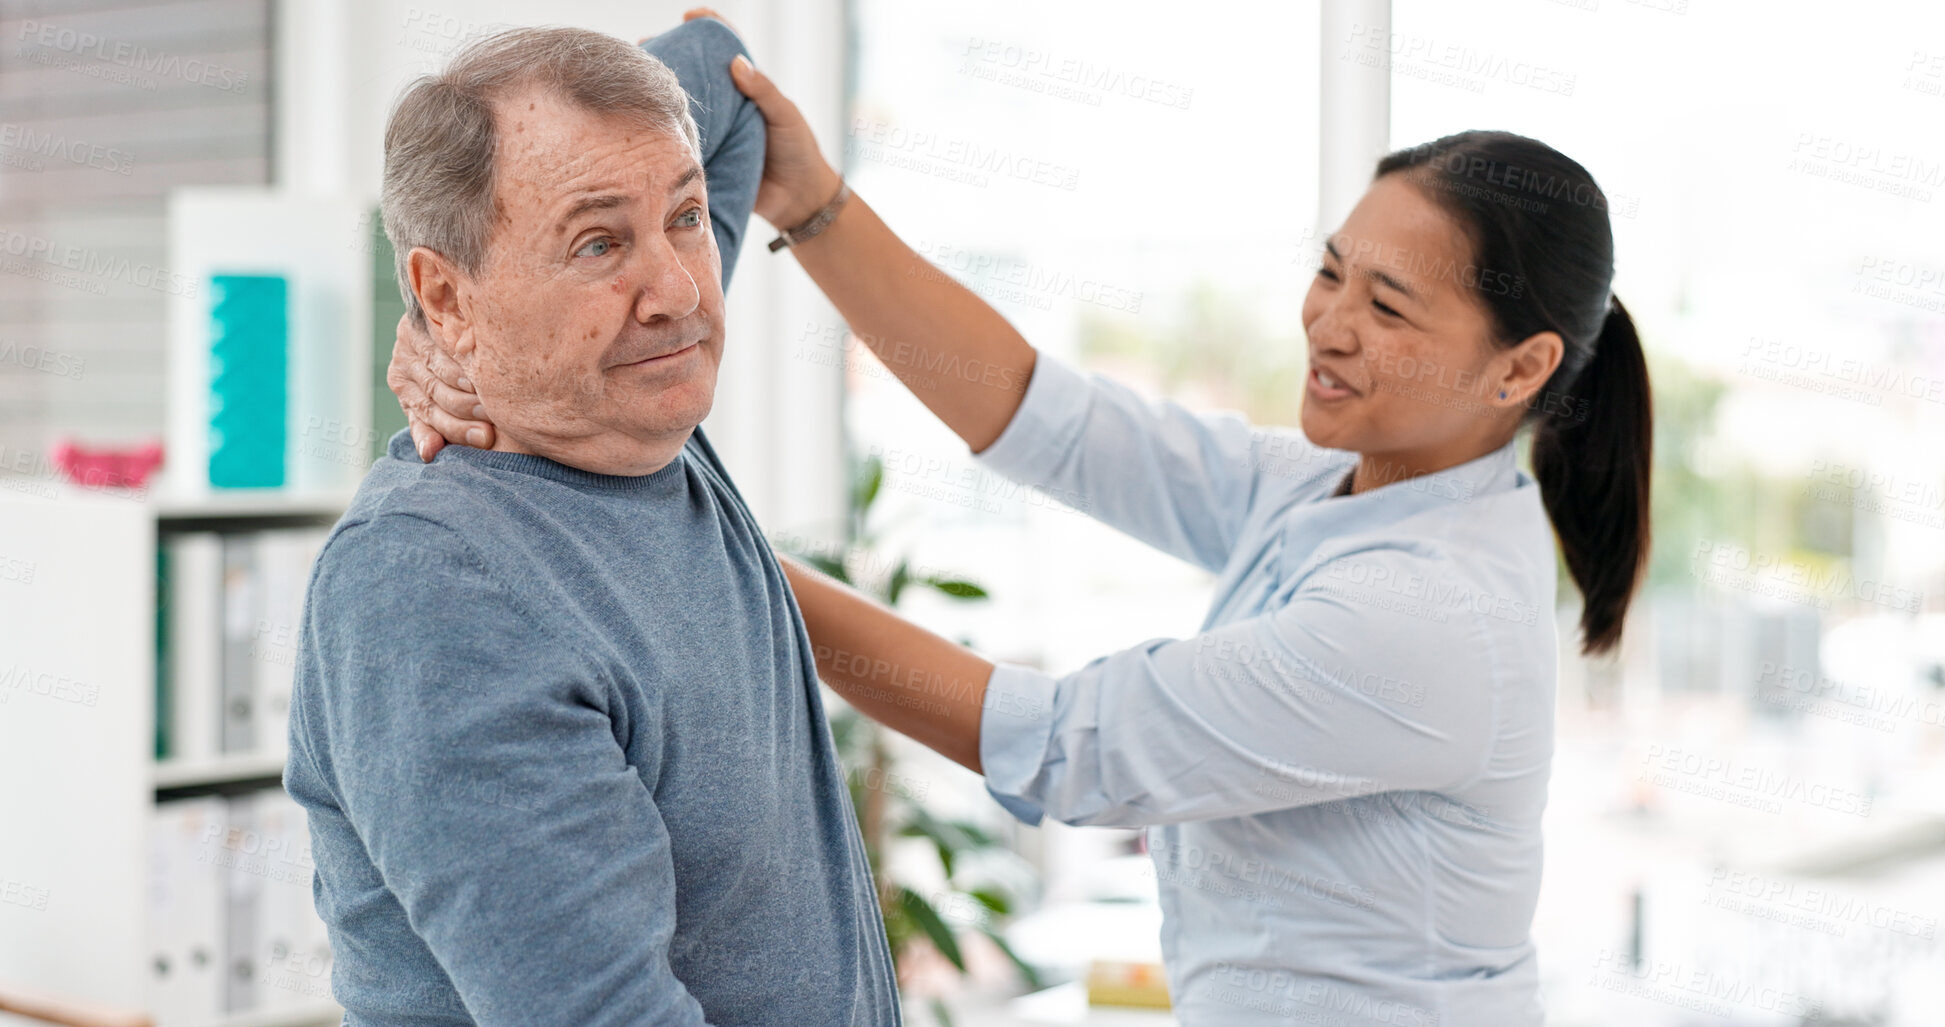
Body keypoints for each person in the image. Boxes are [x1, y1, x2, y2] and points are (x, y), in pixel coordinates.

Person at [394, 15, 1654, 1025]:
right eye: (1331, 271)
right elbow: (1043, 418)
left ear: (1519, 368)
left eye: (1390, 306)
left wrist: (704, 553)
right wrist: (809, 201)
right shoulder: (1340, 480)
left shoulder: (1434, 617)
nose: (1329, 324)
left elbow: (1071, 748)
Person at [287, 19, 900, 1026]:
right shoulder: (441, 590)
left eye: (690, 216)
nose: (679, 288)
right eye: (597, 241)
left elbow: (715, 60)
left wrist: (467, 326)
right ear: (447, 293)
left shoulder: (630, 404)